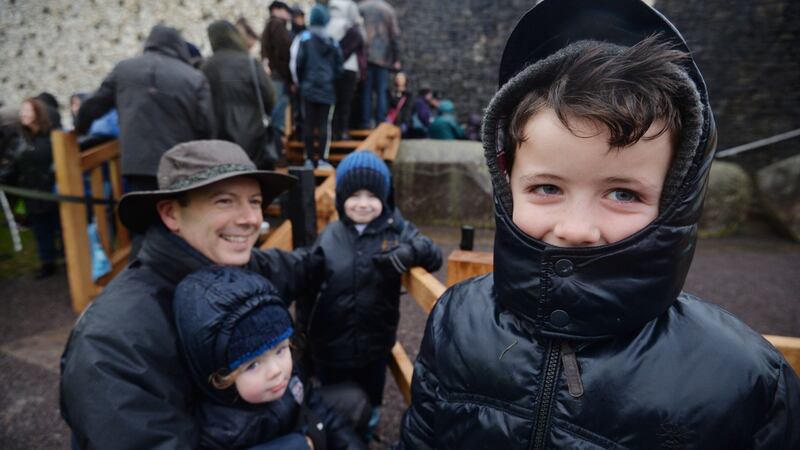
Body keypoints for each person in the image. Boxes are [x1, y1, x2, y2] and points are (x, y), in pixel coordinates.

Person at [399, 0, 800, 448]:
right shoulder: (454, 319)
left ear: (674, 199)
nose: (577, 229)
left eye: (623, 194)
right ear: (505, 181)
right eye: (547, 188)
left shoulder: (745, 382)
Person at [59, 140, 324, 449]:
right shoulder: (114, 339)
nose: (251, 218)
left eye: (254, 201)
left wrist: (359, 246)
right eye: (224, 201)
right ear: (171, 214)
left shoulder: (239, 267)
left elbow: (300, 266)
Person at [297, 150, 442, 439]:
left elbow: (434, 255)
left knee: (371, 399)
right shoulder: (330, 235)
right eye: (355, 195)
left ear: (385, 198)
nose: (363, 204)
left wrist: (409, 252)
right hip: (330, 347)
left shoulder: (396, 231)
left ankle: (367, 434)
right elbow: (307, 291)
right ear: (341, 198)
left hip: (375, 345)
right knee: (334, 404)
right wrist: (304, 340)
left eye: (372, 196)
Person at [173, 266, 368, 450]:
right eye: (252, 364)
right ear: (219, 378)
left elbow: (315, 407)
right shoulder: (222, 433)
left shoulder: (289, 377)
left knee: (355, 399)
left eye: (280, 349)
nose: (276, 370)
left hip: (305, 431)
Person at [75, 24, 215, 193]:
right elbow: (206, 125)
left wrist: (79, 129)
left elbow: (94, 105)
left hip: (137, 163)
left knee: (144, 212)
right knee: (176, 214)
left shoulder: (124, 69)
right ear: (179, 46)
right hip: (180, 163)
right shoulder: (194, 77)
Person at [202, 20, 276, 169]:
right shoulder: (250, 63)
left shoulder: (206, 67)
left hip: (218, 136)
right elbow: (270, 97)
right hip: (253, 134)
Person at [2, 98, 61, 278]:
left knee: (62, 228)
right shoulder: (20, 140)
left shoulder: (53, 137)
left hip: (53, 194)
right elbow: (12, 167)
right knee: (41, 231)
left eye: (27, 110)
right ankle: (47, 263)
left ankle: (71, 259)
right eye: (22, 111)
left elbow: (59, 164)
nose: (23, 114)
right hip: (32, 195)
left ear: (38, 113)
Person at [293, 4, 343, 169]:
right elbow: (339, 67)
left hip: (308, 88)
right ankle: (322, 159)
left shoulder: (305, 39)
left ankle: (308, 158)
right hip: (327, 89)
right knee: (324, 124)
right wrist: (331, 80)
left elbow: (299, 63)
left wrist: (301, 82)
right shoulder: (333, 41)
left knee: (308, 123)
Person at [358, 0, 401, 128]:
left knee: (366, 92)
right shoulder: (388, 9)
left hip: (365, 58)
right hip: (383, 59)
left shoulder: (361, 8)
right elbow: (395, 36)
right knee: (381, 91)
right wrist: (396, 58)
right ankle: (381, 122)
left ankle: (365, 122)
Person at [326, 0, 364, 141]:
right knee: (345, 102)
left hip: (333, 67)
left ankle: (335, 131)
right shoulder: (350, 25)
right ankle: (342, 131)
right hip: (348, 67)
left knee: (334, 102)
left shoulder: (328, 25)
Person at [261, 1, 294, 137]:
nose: (288, 14)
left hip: (276, 74)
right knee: (277, 113)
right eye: (285, 10)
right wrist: (288, 75)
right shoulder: (276, 25)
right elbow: (282, 52)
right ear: (276, 10)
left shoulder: (270, 26)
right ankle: (275, 149)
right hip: (279, 75)